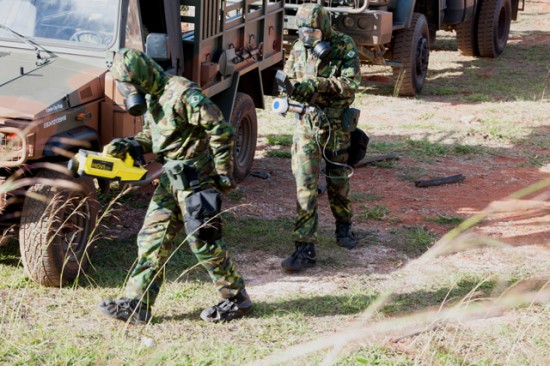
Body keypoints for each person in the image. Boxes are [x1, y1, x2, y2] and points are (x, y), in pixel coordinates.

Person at [98, 48, 252, 324]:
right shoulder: (152, 96)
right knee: (151, 240)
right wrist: (131, 143)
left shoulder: (181, 92)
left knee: (204, 243)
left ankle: (236, 299)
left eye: (128, 83)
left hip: (197, 180)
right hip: (171, 178)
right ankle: (137, 304)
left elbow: (220, 128)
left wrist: (222, 173)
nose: (127, 90)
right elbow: (155, 136)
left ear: (142, 75)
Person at [281, 3, 362, 272]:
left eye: (313, 33)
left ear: (325, 29)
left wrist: (318, 85)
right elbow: (289, 80)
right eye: (303, 32)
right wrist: (293, 92)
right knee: (305, 184)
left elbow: (350, 86)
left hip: (336, 127)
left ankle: (344, 227)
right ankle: (304, 248)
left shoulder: (343, 45)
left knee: (338, 182)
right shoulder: (297, 49)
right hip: (306, 124)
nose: (308, 38)